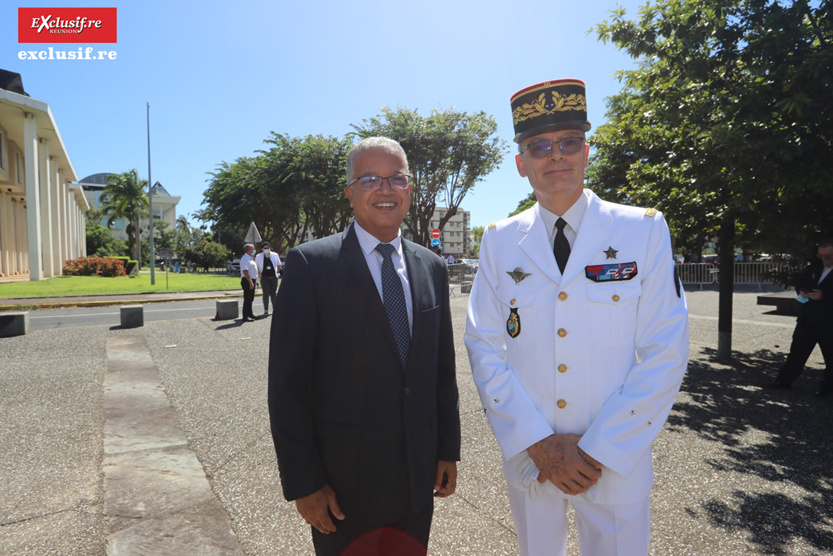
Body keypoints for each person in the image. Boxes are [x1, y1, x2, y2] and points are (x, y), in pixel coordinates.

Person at [464, 79, 689, 555]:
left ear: (587, 152)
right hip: (534, 457)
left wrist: (601, 446)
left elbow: (665, 350)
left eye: (569, 142)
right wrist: (537, 442)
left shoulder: (642, 229)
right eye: (539, 146)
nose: (556, 156)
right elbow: (483, 344)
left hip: (615, 456)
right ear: (521, 163)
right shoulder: (499, 240)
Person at [268, 137, 461, 556]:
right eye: (370, 179)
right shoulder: (310, 265)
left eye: (396, 178)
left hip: (416, 481)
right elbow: (287, 387)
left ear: (410, 189)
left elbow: (441, 369)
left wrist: (447, 450)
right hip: (342, 488)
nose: (385, 189)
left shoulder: (431, 267)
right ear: (350, 192)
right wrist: (305, 483)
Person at [763, 239, 833, 397]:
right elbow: (801, 283)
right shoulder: (815, 266)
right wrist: (802, 291)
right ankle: (783, 381)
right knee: (796, 352)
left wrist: (824, 295)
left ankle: (827, 388)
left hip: (829, 321)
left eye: (828, 256)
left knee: (830, 355)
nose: (823, 259)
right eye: (821, 256)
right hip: (807, 318)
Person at [255, 241, 281, 316]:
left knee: (273, 293)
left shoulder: (275, 255)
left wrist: (278, 272)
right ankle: (266, 309)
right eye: (265, 248)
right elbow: (256, 266)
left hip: (273, 277)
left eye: (268, 248)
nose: (267, 249)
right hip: (264, 277)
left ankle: (274, 308)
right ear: (262, 249)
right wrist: (258, 273)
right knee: (266, 293)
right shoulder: (259, 256)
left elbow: (279, 264)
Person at [239, 243, 257, 322]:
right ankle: (245, 316)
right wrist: (250, 282)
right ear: (249, 250)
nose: (254, 250)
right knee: (247, 299)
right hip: (247, 280)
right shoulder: (245, 259)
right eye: (253, 249)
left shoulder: (250, 258)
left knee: (250, 299)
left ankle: (250, 314)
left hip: (252, 280)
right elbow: (245, 271)